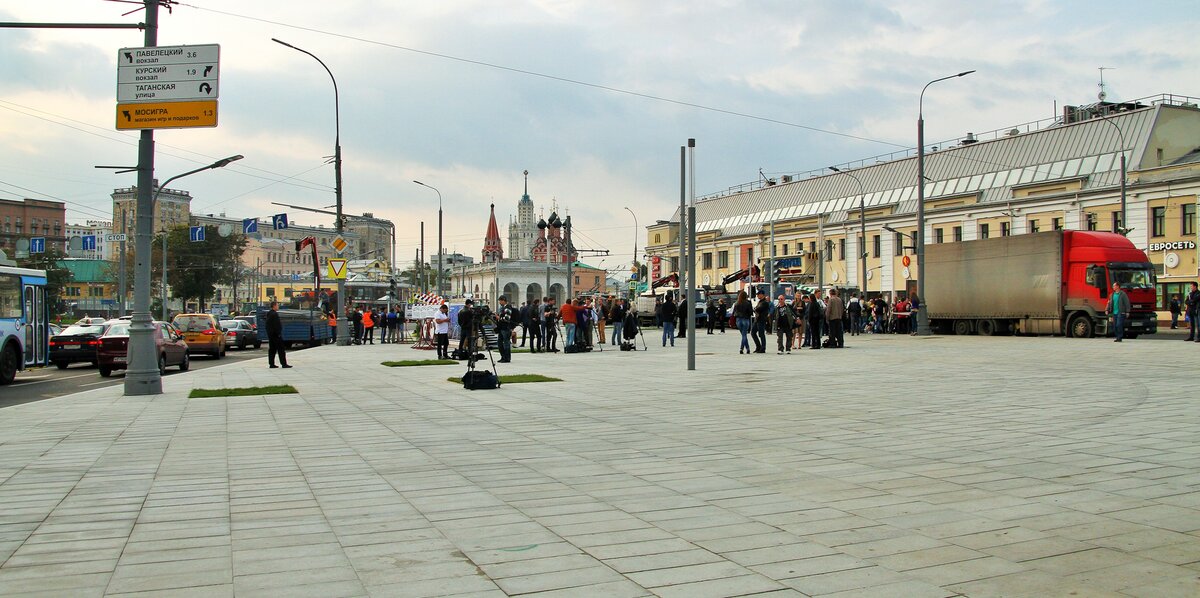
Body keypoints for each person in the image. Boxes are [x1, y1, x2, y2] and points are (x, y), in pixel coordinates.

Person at [264, 301, 290, 368]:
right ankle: (284, 364)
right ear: (274, 306)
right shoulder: (274, 314)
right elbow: (276, 325)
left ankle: (271, 364)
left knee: (272, 350)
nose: (278, 307)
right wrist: (278, 333)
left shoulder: (269, 313)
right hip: (276, 335)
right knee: (281, 349)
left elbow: (267, 325)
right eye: (277, 305)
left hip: (271, 335)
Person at [495, 295, 516, 363]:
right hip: (501, 328)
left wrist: (499, 318)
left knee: (506, 343)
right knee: (499, 343)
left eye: (500, 301)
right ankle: (503, 357)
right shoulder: (502, 308)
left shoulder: (508, 307)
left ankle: (507, 358)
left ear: (503, 300)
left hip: (505, 328)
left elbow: (507, 318)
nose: (499, 302)